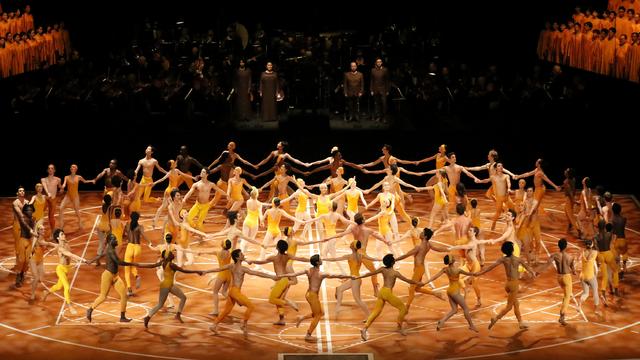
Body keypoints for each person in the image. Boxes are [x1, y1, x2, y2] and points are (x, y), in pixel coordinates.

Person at [207, 249, 280, 338]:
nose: (243, 255)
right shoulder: (242, 269)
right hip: (235, 292)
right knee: (251, 306)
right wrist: (271, 277)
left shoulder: (231, 266)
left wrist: (205, 271)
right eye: (241, 254)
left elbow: (219, 268)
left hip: (231, 291)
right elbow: (256, 273)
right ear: (238, 257)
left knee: (226, 311)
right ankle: (243, 323)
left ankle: (213, 325)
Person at [86, 234, 157, 323]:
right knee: (103, 296)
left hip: (115, 276)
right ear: (110, 241)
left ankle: (122, 317)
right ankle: (90, 309)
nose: (116, 240)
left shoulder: (111, 249)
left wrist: (91, 261)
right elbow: (119, 262)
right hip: (107, 276)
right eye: (114, 239)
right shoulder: (111, 251)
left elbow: (101, 255)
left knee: (124, 295)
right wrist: (133, 264)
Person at [282, 255, 353, 342]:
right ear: (317, 262)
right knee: (318, 315)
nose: (321, 260)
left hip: (308, 294)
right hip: (313, 296)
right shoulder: (321, 274)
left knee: (321, 313)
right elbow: (335, 275)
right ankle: (308, 335)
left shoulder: (308, 270)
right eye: (320, 259)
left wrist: (283, 275)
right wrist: (350, 277)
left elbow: (294, 274)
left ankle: (302, 317)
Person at [473, 241, 537, 330]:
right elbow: (528, 267)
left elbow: (491, 267)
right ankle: (495, 319)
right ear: (512, 250)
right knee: (509, 307)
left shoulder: (503, 259)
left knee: (516, 304)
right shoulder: (518, 259)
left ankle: (520, 323)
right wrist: (533, 273)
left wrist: (480, 273)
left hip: (507, 284)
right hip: (514, 285)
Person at [358, 254, 423, 340]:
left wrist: (359, 277)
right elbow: (408, 280)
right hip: (388, 293)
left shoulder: (382, 269)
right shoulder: (395, 273)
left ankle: (364, 328)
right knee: (403, 309)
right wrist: (418, 283)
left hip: (382, 292)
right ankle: (399, 328)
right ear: (393, 263)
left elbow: (370, 273)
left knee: (376, 312)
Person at [248, 240, 307, 325]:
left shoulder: (274, 258)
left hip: (281, 281)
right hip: (286, 279)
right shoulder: (287, 256)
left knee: (272, 300)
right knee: (278, 300)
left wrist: (252, 261)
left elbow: (261, 262)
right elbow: (300, 258)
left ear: (277, 248)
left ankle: (289, 303)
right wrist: (310, 260)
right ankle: (281, 319)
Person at [143, 249, 204, 328]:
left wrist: (137, 264)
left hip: (170, 285)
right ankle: (147, 317)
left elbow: (151, 266)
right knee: (160, 305)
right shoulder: (172, 265)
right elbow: (184, 271)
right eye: (171, 253)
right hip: (165, 286)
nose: (173, 254)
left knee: (183, 297)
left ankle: (178, 315)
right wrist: (196, 271)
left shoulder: (163, 262)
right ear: (168, 257)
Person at [395, 228, 447, 310]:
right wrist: (448, 249)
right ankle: (435, 293)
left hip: (418, 269)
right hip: (420, 269)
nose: (420, 233)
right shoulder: (428, 244)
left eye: (422, 233)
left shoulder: (418, 247)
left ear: (425, 236)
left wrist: (394, 260)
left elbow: (406, 255)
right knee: (417, 288)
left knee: (411, 289)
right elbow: (438, 249)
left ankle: (406, 308)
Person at [423, 254, 478, 332]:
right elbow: (471, 274)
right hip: (455, 292)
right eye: (453, 257)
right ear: (452, 261)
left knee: (454, 310)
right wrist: (478, 272)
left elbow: (434, 277)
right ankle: (471, 326)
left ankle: (442, 321)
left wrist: (425, 282)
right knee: (465, 308)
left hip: (449, 291)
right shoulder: (458, 270)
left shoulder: (445, 269)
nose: (454, 256)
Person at [42, 229, 91, 313]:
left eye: (63, 234)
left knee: (58, 286)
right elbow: (70, 254)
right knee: (67, 287)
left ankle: (46, 292)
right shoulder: (60, 248)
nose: (64, 235)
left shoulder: (67, 244)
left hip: (67, 268)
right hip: (60, 269)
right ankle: (70, 306)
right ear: (58, 238)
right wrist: (83, 260)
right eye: (62, 234)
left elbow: (69, 256)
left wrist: (75, 261)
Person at [537, 238, 576, 325]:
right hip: (567, 278)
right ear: (566, 246)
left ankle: (563, 309)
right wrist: (574, 272)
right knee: (567, 297)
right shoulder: (570, 257)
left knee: (565, 294)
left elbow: (546, 265)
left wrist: (538, 272)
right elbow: (573, 270)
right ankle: (562, 316)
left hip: (559, 278)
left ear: (558, 246)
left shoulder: (554, 255)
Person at [59, 164, 94, 231]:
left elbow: (85, 181)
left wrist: (91, 181)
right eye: (71, 167)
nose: (72, 167)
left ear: (76, 169)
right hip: (68, 195)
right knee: (61, 208)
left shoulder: (79, 177)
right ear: (70, 169)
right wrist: (62, 187)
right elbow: (64, 184)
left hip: (75, 196)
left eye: (74, 167)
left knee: (77, 210)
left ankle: (80, 222)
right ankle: (61, 225)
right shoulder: (66, 177)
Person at [578, 239, 602, 315]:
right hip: (590, 276)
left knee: (586, 293)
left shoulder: (582, 253)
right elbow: (599, 262)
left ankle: (579, 305)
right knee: (595, 292)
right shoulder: (595, 252)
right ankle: (597, 310)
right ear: (592, 245)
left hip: (582, 276)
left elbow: (579, 259)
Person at [41, 164, 62, 230]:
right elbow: (45, 186)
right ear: (47, 170)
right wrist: (48, 193)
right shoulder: (43, 179)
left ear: (54, 170)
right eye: (49, 168)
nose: (50, 169)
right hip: (45, 199)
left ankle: (52, 233)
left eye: (52, 168)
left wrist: (61, 189)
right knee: (39, 214)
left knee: (51, 217)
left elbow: (60, 187)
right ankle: (36, 230)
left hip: (53, 199)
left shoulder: (58, 179)